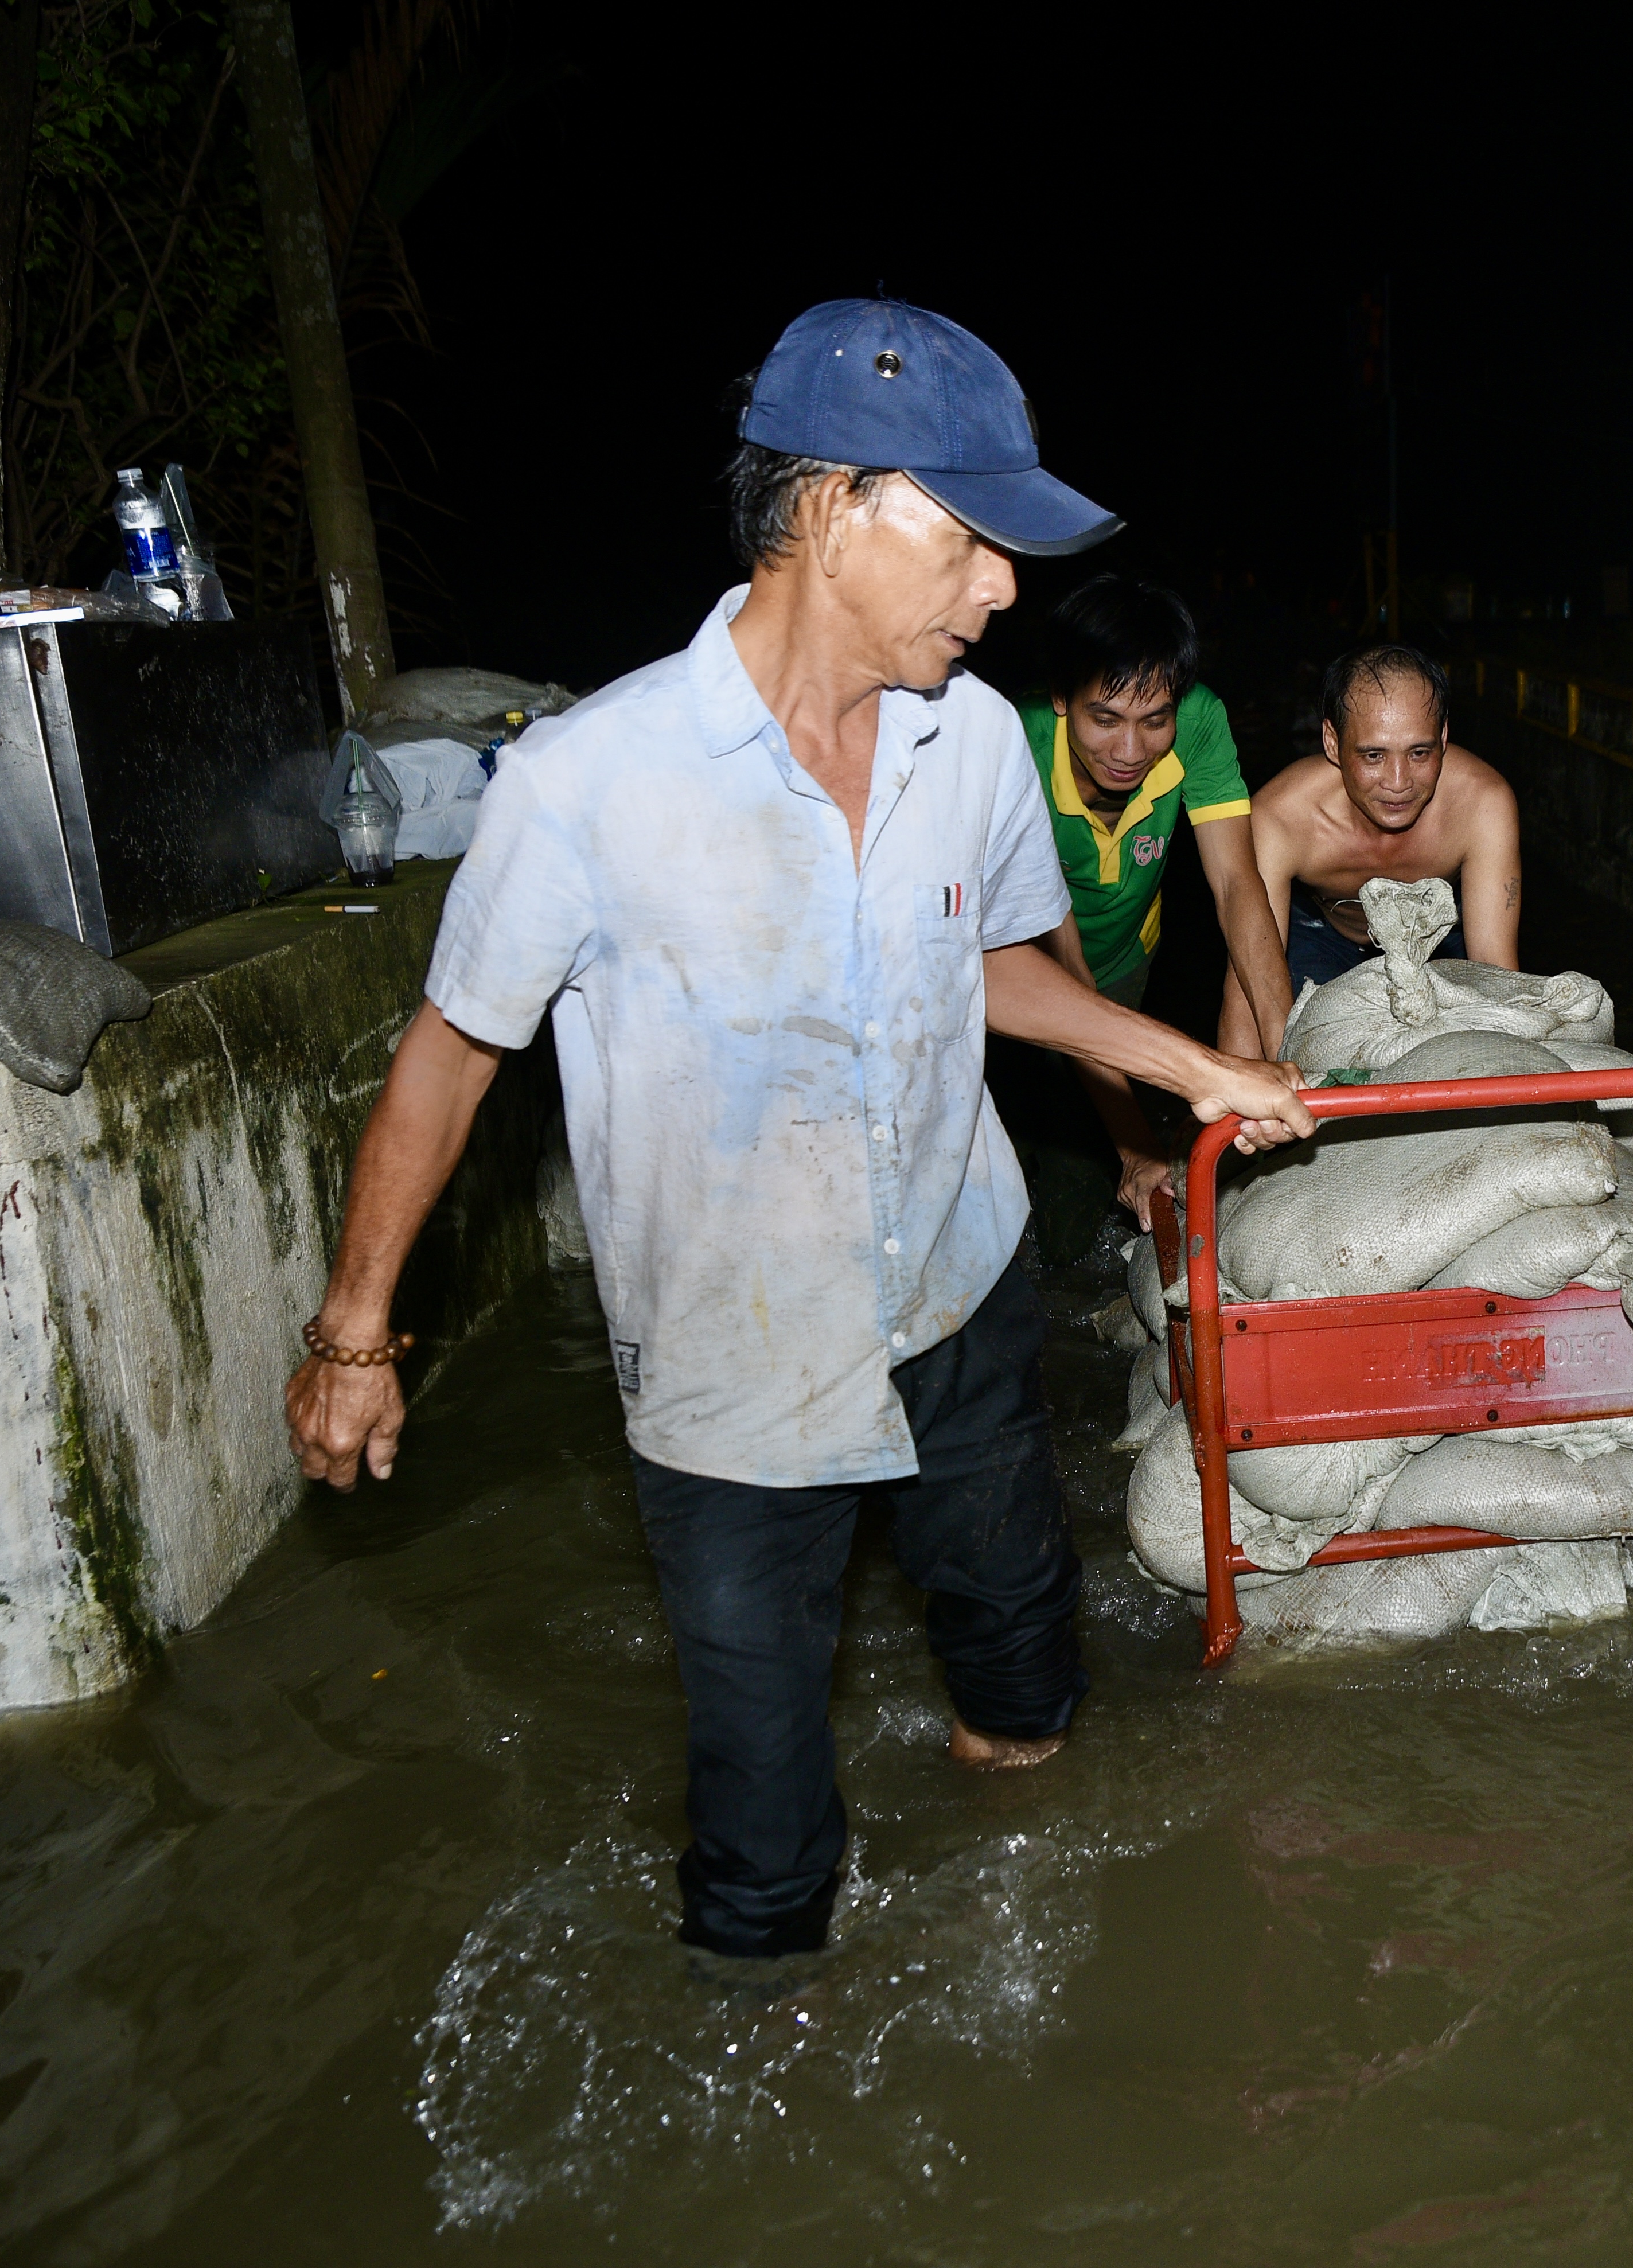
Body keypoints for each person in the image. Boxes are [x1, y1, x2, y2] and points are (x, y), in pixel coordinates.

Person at [280, 298, 1312, 1961]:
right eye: (974, 539)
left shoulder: (972, 742)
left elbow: (993, 972)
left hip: (957, 1299)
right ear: (833, 509)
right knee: (761, 1852)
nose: (1002, 591)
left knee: (1025, 1676)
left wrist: (1196, 1069)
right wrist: (354, 1333)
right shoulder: (586, 783)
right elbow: (452, 1055)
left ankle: (1036, 1972)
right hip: (728, 1372)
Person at [1012, 574, 1295, 1226]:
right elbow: (1062, 968)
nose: (1130, 750)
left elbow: (1235, 885)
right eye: (1104, 719)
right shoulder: (1013, 743)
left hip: (1123, 962)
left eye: (1154, 719)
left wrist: (1285, 1055)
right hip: (1016, 964)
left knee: (1070, 1211)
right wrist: (1134, 1144)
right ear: (1061, 696)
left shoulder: (1200, 722)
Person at [1218, 643, 1523, 1054]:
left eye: (1419, 752)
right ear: (1331, 741)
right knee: (1297, 1051)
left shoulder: (1482, 802)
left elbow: (1495, 968)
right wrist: (1241, 1105)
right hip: (1319, 936)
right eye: (1373, 755)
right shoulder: (1281, 817)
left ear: (1444, 737)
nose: (1398, 782)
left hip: (1436, 936)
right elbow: (1247, 984)